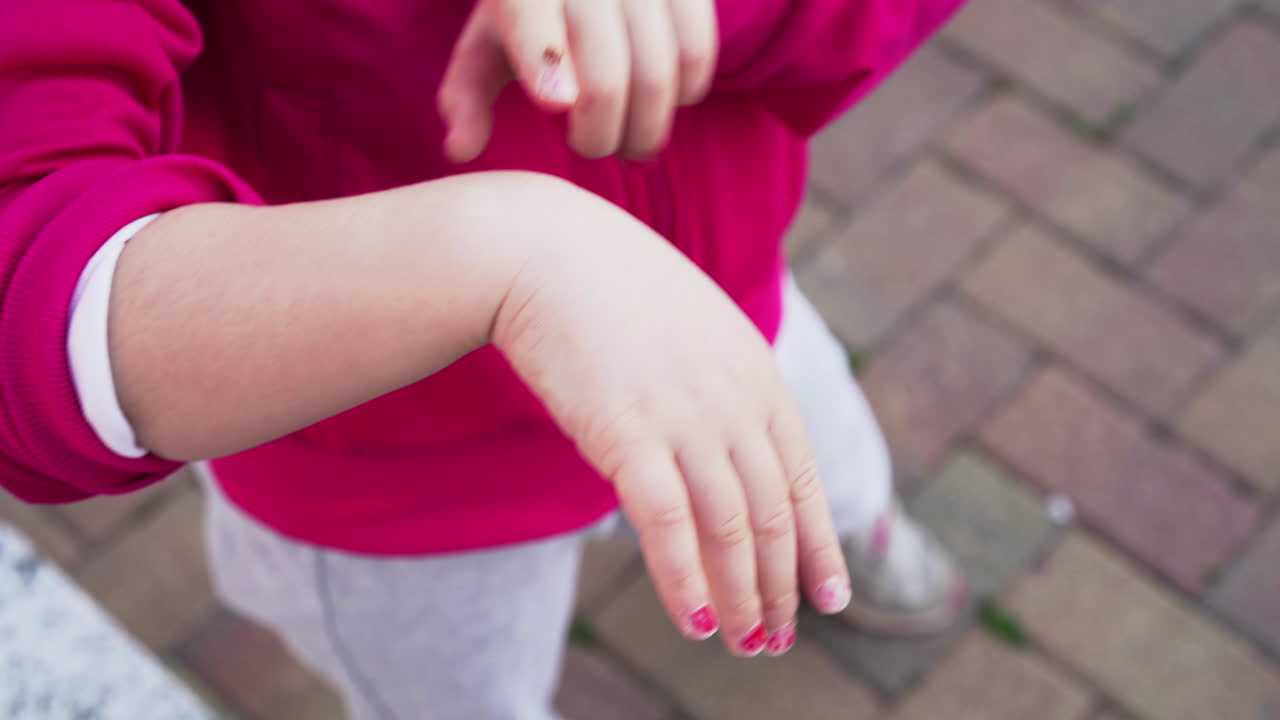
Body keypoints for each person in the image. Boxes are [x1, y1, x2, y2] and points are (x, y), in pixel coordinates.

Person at [0, 0, 967, 717]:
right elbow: (28, 282)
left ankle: (850, 532)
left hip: (714, 305)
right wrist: (493, 254)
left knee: (823, 464)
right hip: (392, 470)